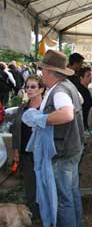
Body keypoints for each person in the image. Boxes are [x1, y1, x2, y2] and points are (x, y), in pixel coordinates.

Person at [36, 50, 84, 227]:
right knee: (71, 192)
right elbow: (80, 101)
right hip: (73, 146)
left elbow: (67, 114)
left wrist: (42, 119)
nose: (40, 74)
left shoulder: (60, 91)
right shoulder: (67, 86)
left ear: (49, 72)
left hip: (63, 149)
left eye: (42, 70)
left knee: (64, 195)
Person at [11, 75, 45, 219]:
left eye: (33, 87)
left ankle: (46, 213)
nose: (29, 90)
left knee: (44, 185)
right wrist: (16, 150)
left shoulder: (46, 109)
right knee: (30, 186)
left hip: (42, 152)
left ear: (41, 89)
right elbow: (15, 130)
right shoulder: (22, 108)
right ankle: (33, 215)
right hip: (25, 153)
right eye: (27, 86)